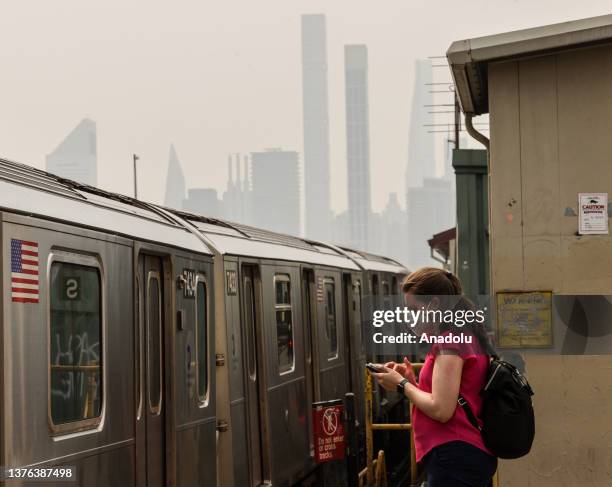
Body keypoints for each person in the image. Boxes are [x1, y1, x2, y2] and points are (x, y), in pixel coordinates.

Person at [369, 267, 497, 487]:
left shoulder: (450, 342)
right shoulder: (460, 335)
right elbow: (451, 398)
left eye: (413, 308)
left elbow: (442, 410)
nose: (409, 316)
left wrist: (401, 384)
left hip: (455, 456)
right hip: (461, 455)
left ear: (434, 304)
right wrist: (412, 382)